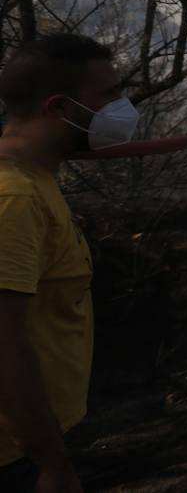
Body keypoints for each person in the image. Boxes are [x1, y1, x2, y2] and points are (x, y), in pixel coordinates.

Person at [0, 34, 135, 493]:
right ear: (60, 107)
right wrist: (51, 464)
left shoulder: (34, 181)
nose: (122, 107)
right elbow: (4, 343)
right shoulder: (14, 197)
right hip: (16, 460)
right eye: (110, 95)